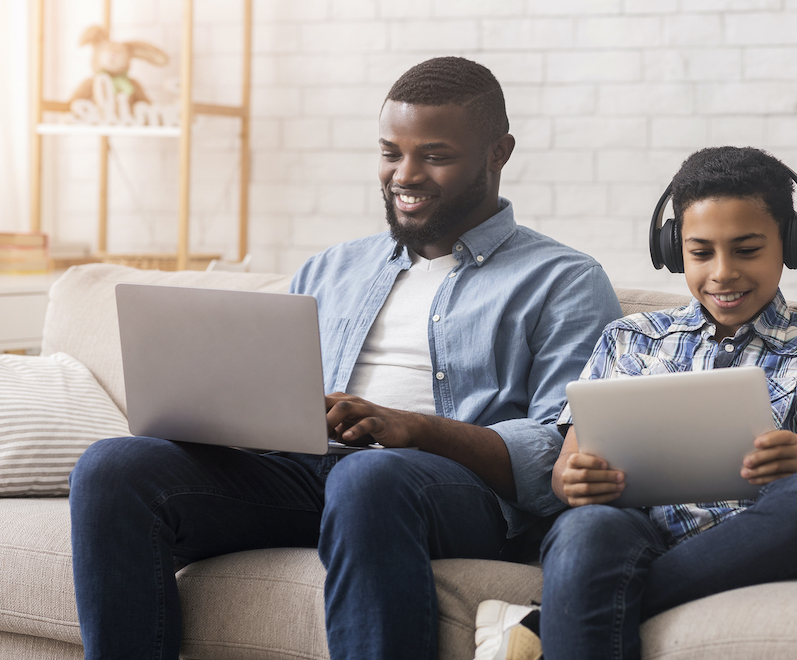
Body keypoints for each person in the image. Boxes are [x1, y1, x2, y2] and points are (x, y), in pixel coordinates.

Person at [68, 57, 621, 660]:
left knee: (370, 473)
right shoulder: (332, 268)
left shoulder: (564, 279)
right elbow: (277, 397)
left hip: (450, 493)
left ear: (498, 153)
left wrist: (412, 430)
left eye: (434, 156)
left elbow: (556, 455)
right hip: (310, 473)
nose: (405, 175)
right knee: (112, 467)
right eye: (391, 152)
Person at [477, 146, 797, 660]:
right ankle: (573, 605)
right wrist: (573, 480)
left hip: (747, 539)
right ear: (674, 250)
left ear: (793, 244)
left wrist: (796, 471)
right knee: (584, 526)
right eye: (701, 252)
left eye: (747, 249)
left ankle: (546, 618)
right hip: (631, 528)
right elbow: (567, 469)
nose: (723, 273)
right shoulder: (629, 338)